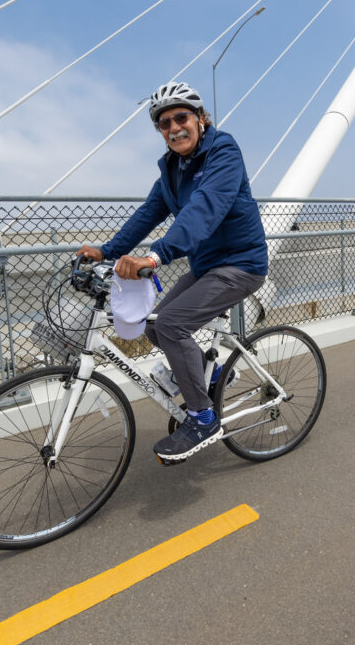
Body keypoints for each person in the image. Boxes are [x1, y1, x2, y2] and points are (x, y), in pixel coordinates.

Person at [77, 81, 268, 462]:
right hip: (207, 267)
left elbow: (205, 208)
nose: (174, 128)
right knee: (152, 322)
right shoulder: (170, 168)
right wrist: (107, 251)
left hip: (241, 264)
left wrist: (155, 257)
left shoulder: (223, 151)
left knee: (172, 325)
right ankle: (215, 377)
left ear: (200, 119)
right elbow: (148, 213)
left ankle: (203, 417)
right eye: (164, 124)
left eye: (181, 118)